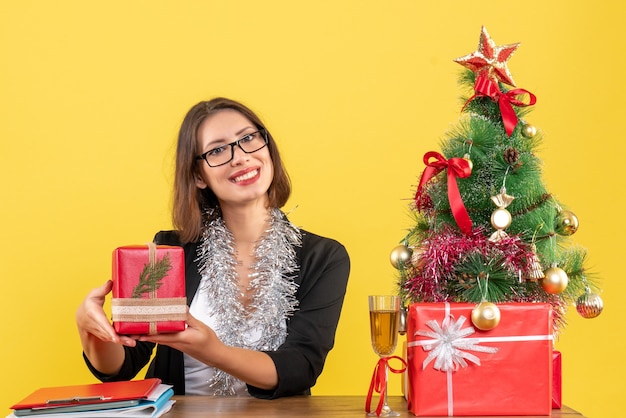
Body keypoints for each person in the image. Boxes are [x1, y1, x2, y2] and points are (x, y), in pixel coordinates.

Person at [76, 97, 350, 399]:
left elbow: (301, 368)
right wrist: (92, 331)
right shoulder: (169, 250)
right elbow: (124, 364)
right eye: (217, 150)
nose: (241, 157)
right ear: (197, 176)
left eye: (248, 138)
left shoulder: (324, 257)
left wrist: (213, 351)